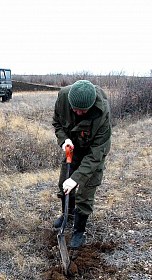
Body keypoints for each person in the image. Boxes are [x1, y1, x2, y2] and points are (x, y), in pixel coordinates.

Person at [52, 80, 112, 250]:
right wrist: (64, 140)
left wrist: (77, 178)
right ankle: (67, 215)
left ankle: (79, 230)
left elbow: (96, 155)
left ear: (91, 105)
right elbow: (57, 123)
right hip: (73, 148)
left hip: (93, 152)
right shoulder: (63, 97)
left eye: (83, 110)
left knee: (85, 192)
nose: (77, 113)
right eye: (74, 108)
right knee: (64, 184)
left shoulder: (102, 115)